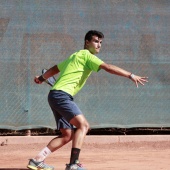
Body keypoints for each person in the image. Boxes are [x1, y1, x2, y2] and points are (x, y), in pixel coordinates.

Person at [27, 30, 148, 170]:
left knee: (67, 135)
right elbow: (107, 67)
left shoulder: (75, 55)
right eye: (96, 41)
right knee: (83, 126)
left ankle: (37, 160)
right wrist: (130, 75)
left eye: (101, 42)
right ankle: (73, 164)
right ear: (87, 42)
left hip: (54, 95)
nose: (99, 45)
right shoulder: (87, 55)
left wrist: (42, 78)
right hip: (61, 95)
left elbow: (55, 68)